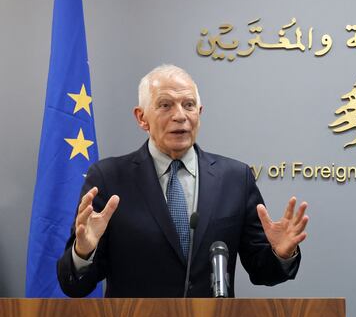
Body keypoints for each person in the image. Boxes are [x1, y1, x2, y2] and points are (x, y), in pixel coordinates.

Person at [57, 64, 307, 297]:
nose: (180, 115)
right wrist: (83, 252)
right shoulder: (109, 178)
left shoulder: (235, 178)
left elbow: (263, 272)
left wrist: (281, 253)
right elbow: (75, 286)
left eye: (188, 105)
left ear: (199, 113)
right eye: (165, 105)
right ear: (142, 118)